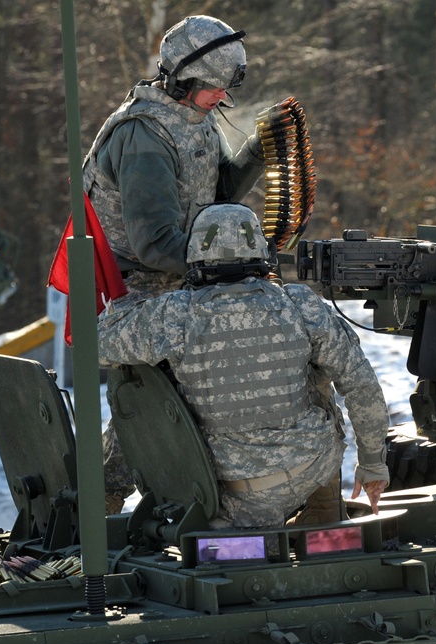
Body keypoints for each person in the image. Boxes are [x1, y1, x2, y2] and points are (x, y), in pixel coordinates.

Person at [96, 203, 391, 528]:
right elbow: (360, 383)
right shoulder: (300, 304)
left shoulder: (173, 315)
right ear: (260, 250)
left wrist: (127, 299)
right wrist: (373, 463)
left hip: (223, 493)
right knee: (319, 374)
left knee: (149, 379)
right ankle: (324, 507)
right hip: (309, 470)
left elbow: (96, 345)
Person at [81, 15, 271, 512]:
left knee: (171, 397)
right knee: (155, 400)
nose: (223, 99)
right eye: (214, 88)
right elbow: (157, 242)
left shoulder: (193, 116)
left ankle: (114, 499)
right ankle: (100, 507)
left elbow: (217, 192)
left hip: (181, 280)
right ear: (182, 80)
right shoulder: (144, 136)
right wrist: (236, 263)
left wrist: (257, 149)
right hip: (137, 290)